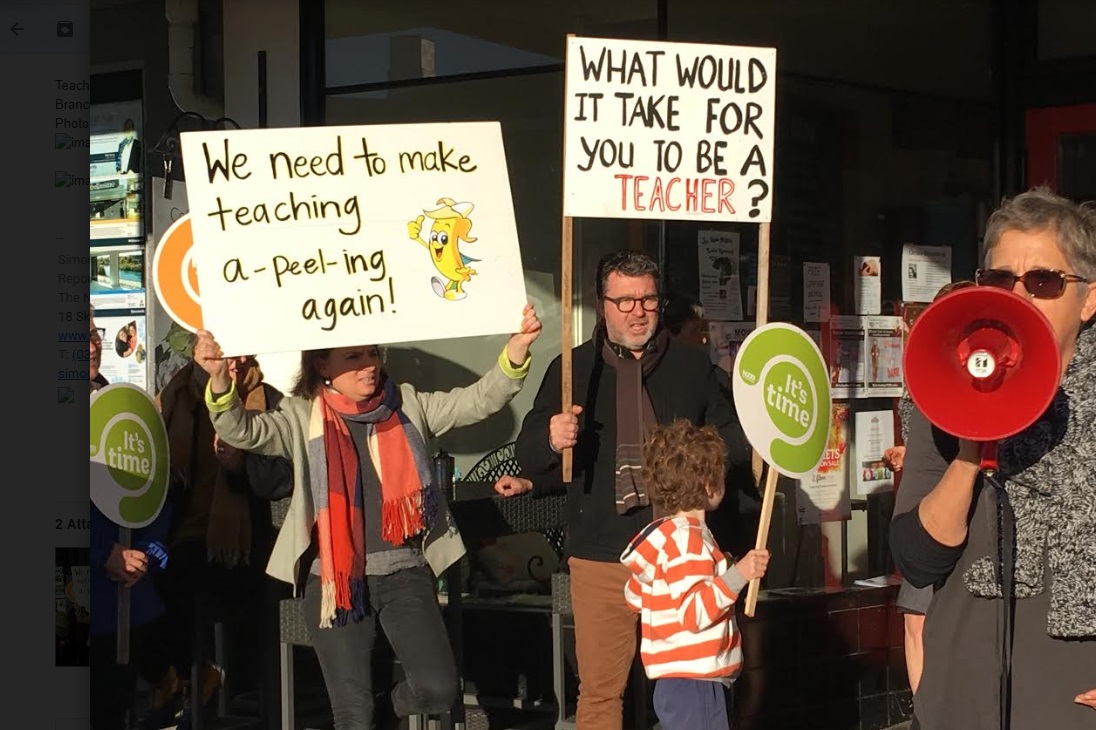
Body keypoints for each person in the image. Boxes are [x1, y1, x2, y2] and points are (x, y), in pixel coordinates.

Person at [193, 304, 541, 730]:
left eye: (372, 354)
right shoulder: (302, 415)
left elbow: (477, 401)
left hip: (405, 573)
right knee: (351, 715)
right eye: (354, 357)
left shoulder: (407, 403)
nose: (369, 366)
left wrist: (517, 350)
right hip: (335, 581)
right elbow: (241, 431)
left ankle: (384, 706)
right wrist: (218, 380)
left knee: (438, 690)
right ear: (322, 365)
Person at [515, 251, 750, 730]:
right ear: (602, 305)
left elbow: (735, 442)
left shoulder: (692, 366)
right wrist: (550, 437)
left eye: (647, 299)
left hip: (686, 556)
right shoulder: (574, 369)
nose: (637, 311)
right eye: (624, 301)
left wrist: (720, 459)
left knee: (697, 683)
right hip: (605, 553)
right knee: (601, 693)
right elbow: (529, 452)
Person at [890, 187, 1096, 730]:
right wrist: (971, 442)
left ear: (1089, 299)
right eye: (1003, 280)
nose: (1020, 297)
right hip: (963, 697)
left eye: (1044, 282)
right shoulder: (945, 391)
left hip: (1070, 702)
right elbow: (917, 558)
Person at [143, 348, 293, 727]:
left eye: (244, 354)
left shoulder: (268, 401)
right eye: (226, 353)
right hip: (174, 531)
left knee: (185, 580)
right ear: (199, 351)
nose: (235, 364)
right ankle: (177, 676)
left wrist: (242, 466)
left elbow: (281, 481)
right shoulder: (176, 396)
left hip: (242, 543)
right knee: (136, 578)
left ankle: (198, 687)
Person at [619, 420, 768, 730]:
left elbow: (634, 595)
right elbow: (694, 612)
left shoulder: (664, 537)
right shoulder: (692, 542)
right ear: (709, 485)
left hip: (675, 682)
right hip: (699, 679)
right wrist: (738, 574)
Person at [883, 279, 975, 695]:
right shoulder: (924, 376)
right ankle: (924, 712)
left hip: (956, 511)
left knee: (927, 625)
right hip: (925, 512)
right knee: (917, 622)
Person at [89, 305, 174, 729]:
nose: (89, 346)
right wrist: (103, 553)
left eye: (91, 334)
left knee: (112, 706)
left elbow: (156, 494)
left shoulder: (125, 407)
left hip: (123, 607)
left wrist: (147, 555)